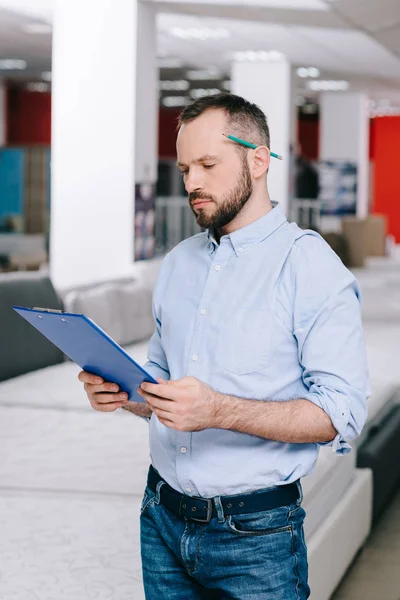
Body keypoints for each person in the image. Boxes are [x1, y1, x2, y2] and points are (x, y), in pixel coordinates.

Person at [79, 93, 369, 600]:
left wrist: (219, 410)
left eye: (208, 164)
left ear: (258, 161)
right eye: (185, 167)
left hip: (256, 536)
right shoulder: (178, 263)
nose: (191, 182)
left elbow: (340, 413)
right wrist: (125, 393)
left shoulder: (309, 265)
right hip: (161, 519)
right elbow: (160, 381)